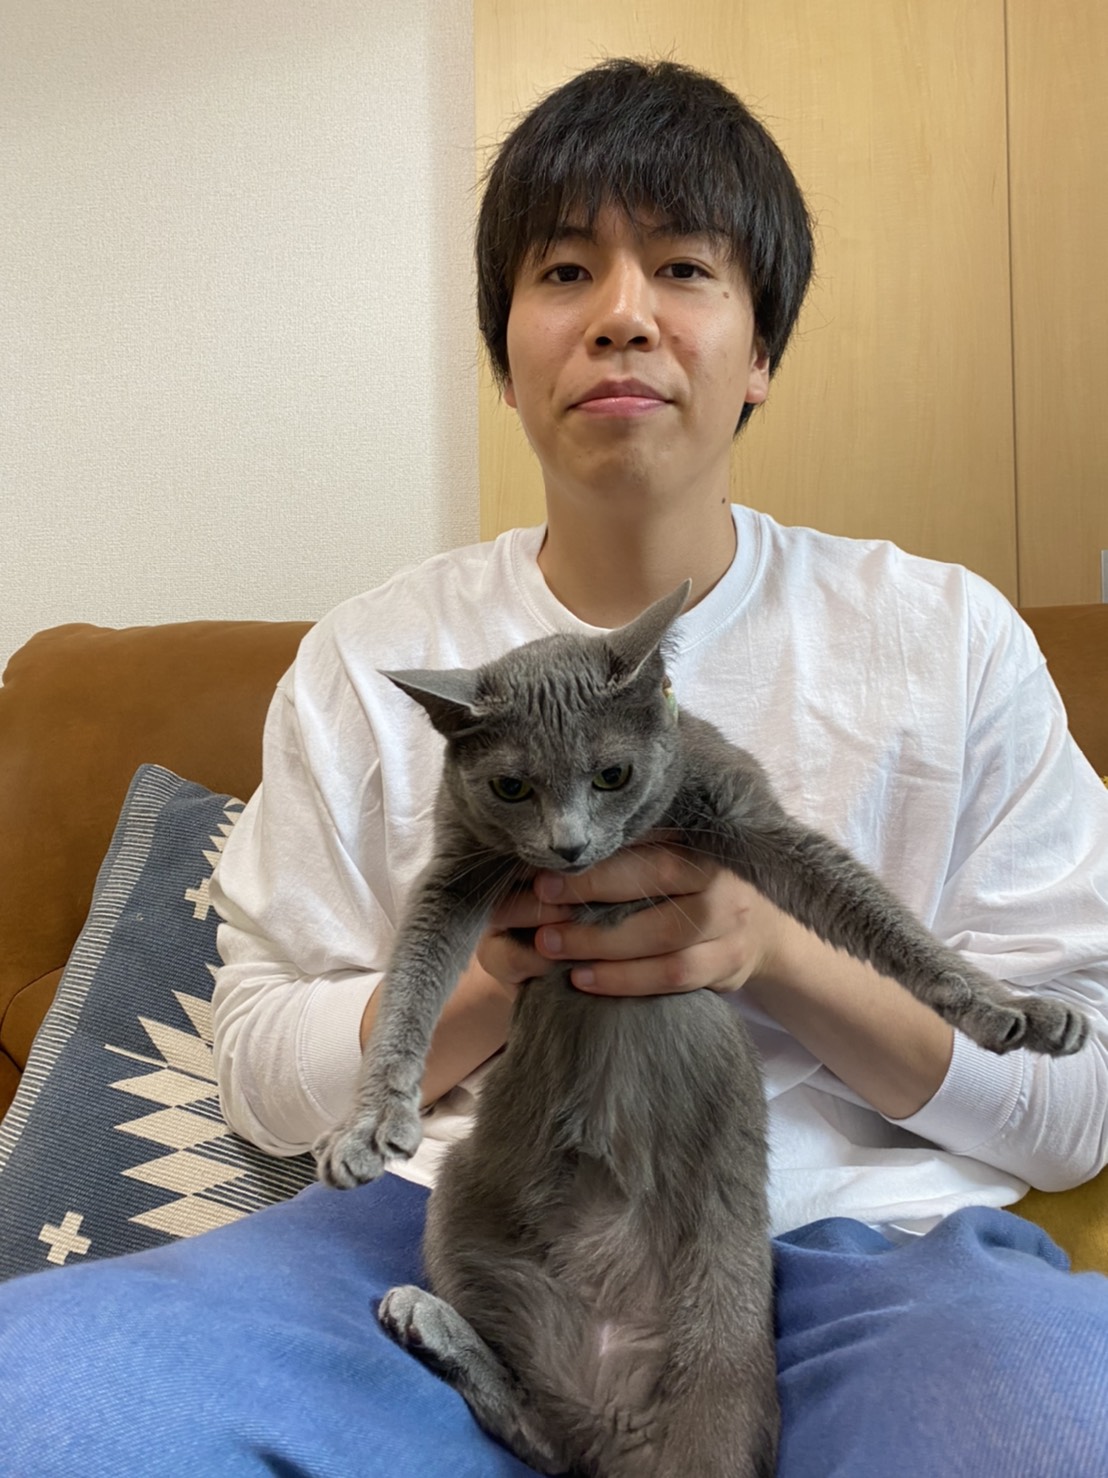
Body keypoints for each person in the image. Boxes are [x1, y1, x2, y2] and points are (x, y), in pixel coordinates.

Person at [2, 57, 1108, 1478]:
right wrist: (500, 966)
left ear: (763, 349)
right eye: (567, 270)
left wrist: (765, 951)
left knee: (1059, 1427)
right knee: (46, 1405)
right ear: (507, 349)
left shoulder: (943, 639)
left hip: (865, 1252)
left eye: (685, 268)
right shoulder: (371, 659)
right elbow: (263, 1075)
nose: (622, 315)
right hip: (461, 1228)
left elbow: (1081, 1097)